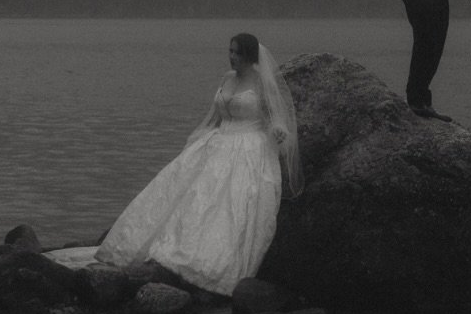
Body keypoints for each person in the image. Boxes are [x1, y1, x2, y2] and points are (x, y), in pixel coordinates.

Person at [47, 33, 302, 295]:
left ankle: (210, 264)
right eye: (230, 51)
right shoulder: (227, 78)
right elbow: (215, 117)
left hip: (248, 146)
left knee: (228, 205)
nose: (231, 56)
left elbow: (274, 116)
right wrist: (198, 140)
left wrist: (279, 130)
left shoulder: (261, 83)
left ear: (248, 56)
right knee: (189, 196)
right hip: (219, 141)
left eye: (236, 52)